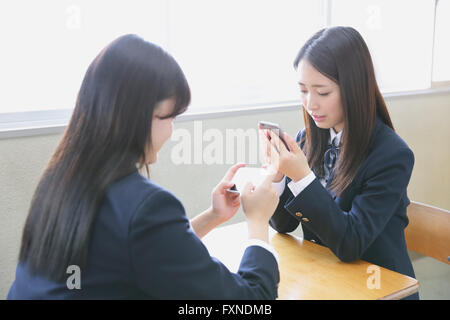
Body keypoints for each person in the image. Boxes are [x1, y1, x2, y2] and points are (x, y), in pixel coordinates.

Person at [7, 34, 280, 299]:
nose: (171, 132)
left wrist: (213, 216)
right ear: (133, 116)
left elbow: (141, 254)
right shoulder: (147, 207)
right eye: (168, 118)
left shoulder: (60, 178)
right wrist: (257, 222)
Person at [260, 26, 418, 299]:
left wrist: (303, 178)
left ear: (354, 89)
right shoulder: (308, 138)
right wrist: (277, 178)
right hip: (328, 278)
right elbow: (283, 226)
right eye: (303, 90)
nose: (311, 104)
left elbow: (350, 243)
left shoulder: (392, 155)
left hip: (378, 286)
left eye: (322, 92)